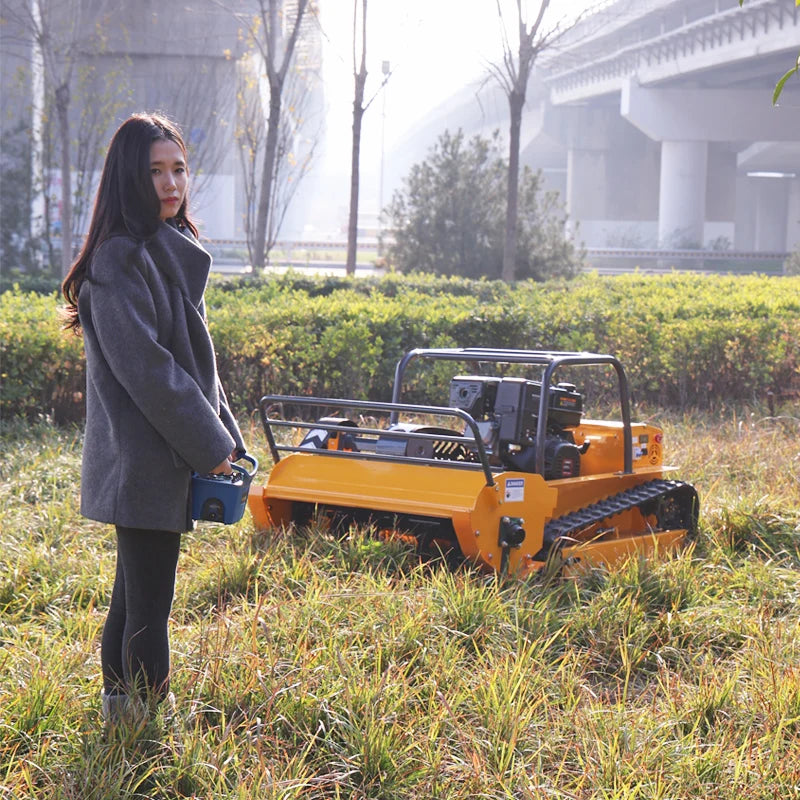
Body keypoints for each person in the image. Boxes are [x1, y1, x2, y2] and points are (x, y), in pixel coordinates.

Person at [62, 112, 245, 725]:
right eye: (155, 172)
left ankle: (123, 717)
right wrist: (211, 445)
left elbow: (191, 364)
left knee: (133, 594)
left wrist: (226, 440)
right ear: (127, 181)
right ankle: (142, 723)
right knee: (149, 603)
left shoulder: (158, 253)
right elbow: (154, 375)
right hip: (141, 462)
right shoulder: (118, 263)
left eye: (179, 169)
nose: (171, 183)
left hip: (158, 458)